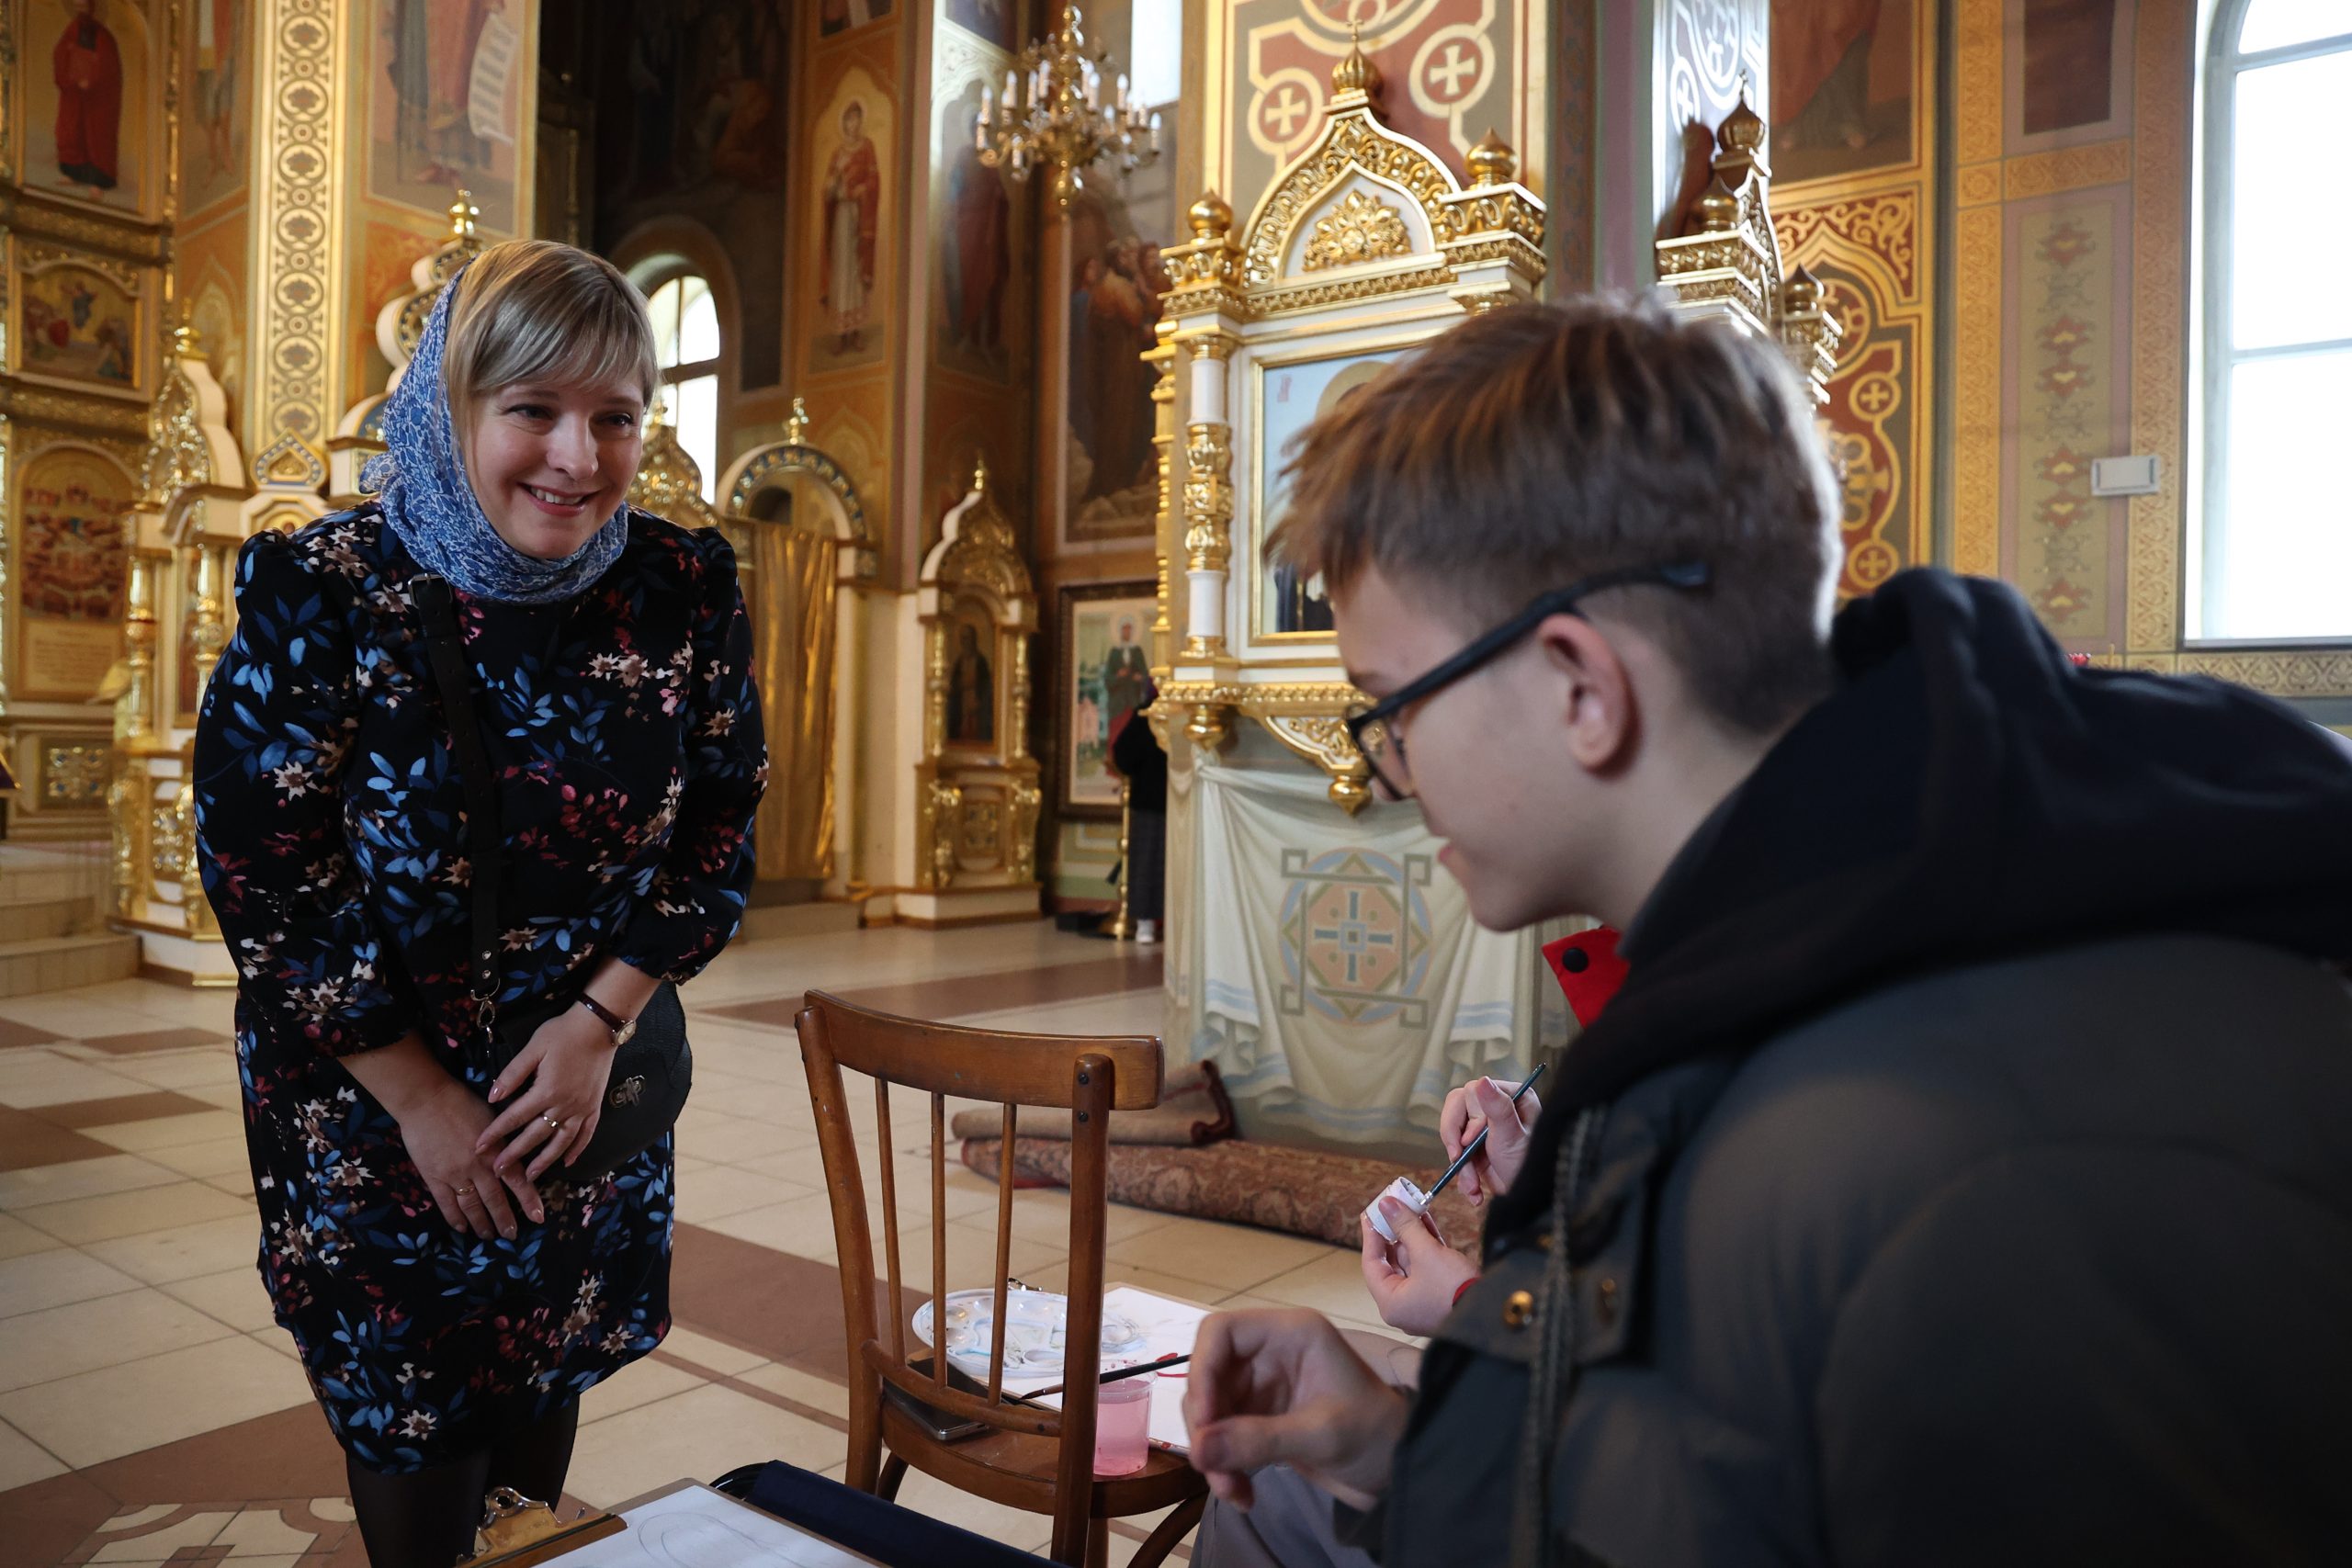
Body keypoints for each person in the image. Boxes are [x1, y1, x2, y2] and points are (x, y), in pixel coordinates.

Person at [1181, 295, 2352, 1565]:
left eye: (1393, 710)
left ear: (1581, 687)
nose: (1392, 771)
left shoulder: (1957, 1171)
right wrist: (1396, 1452)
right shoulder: (1800, 949)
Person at [192, 240, 767, 1568]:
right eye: (533, 410)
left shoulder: (677, 589)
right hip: (373, 1101)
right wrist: (418, 1100)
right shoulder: (329, 590)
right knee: (417, 1423)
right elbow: (265, 872)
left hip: (580, 1089)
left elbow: (720, 828)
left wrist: (599, 1022)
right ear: (451, 409)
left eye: (615, 417)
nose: (578, 457)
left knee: (539, 1389)